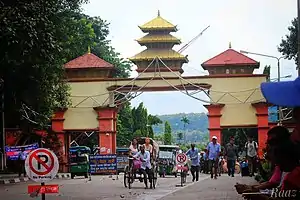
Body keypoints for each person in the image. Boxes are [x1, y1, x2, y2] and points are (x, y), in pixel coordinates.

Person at [235, 126, 290, 194]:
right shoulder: (280, 167)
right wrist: (251, 188)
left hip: (254, 155)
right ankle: (250, 173)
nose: (267, 148)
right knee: (250, 165)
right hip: (249, 155)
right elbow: (273, 186)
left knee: (254, 165)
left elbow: (280, 192)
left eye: (271, 143)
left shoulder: (292, 171)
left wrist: (254, 190)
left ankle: (252, 173)